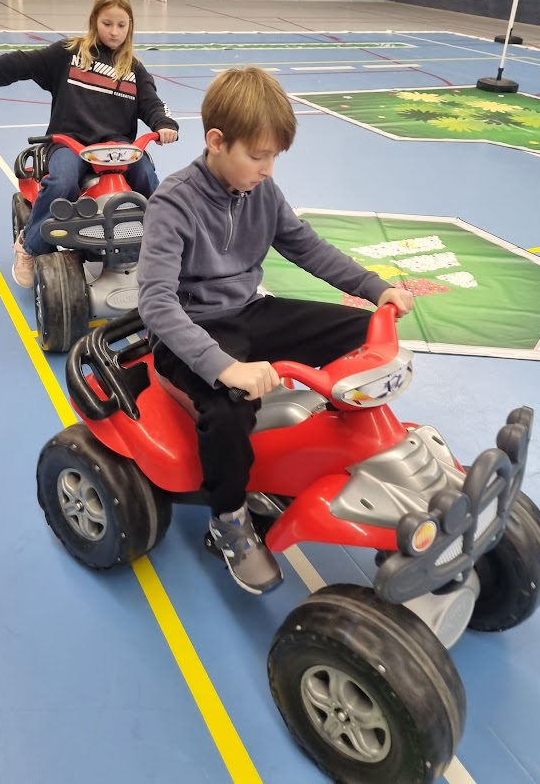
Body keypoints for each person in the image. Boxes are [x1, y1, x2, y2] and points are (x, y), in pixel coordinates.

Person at [137, 66, 413, 595]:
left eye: (274, 158)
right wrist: (226, 368)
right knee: (228, 410)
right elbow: (156, 304)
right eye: (258, 156)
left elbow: (308, 247)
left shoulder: (262, 192)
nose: (267, 169)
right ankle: (229, 520)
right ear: (216, 141)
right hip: (190, 331)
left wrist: (375, 289)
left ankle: (331, 445)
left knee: (362, 332)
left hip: (249, 312)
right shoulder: (173, 202)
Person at [0, 0, 179, 288]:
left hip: (117, 149)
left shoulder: (134, 69)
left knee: (146, 176)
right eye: (107, 23)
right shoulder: (69, 55)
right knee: (62, 181)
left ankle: (164, 244)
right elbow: (15, 65)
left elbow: (152, 104)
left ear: (130, 26)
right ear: (94, 21)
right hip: (71, 143)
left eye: (121, 25)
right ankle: (29, 247)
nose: (114, 32)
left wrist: (164, 123)